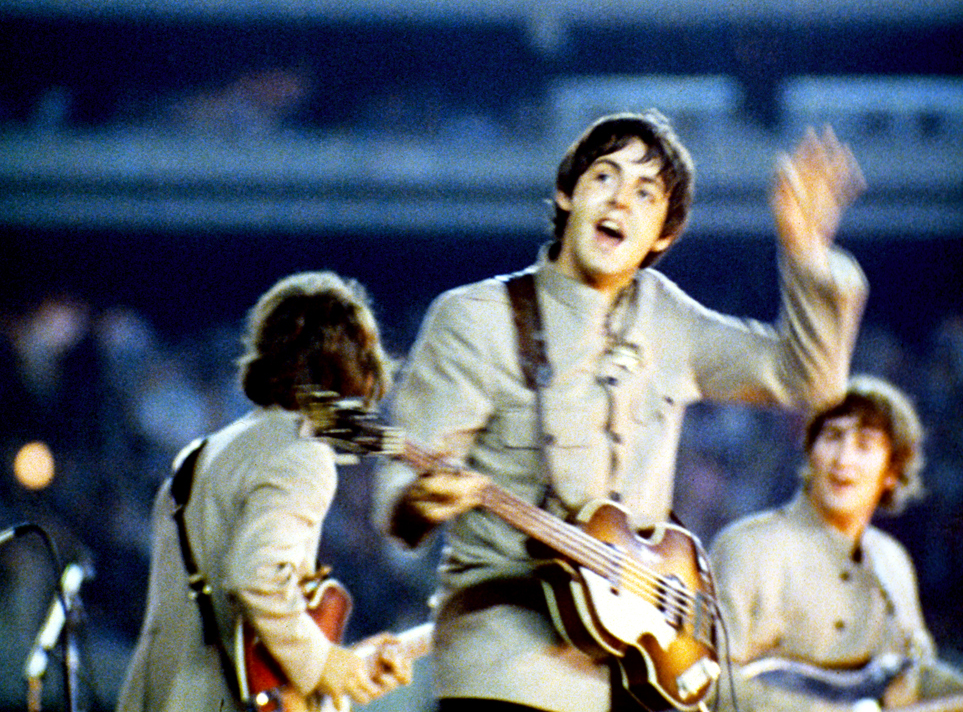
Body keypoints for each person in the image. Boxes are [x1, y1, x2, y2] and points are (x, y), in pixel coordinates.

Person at [375, 110, 870, 712]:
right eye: (604, 178)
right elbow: (399, 483)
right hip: (507, 663)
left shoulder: (669, 318)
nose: (621, 202)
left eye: (645, 193)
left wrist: (807, 252)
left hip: (647, 670)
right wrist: (418, 499)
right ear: (567, 194)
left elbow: (811, 379)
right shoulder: (474, 317)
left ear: (663, 234)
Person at [117, 271, 412, 712]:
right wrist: (322, 663)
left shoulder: (203, 453)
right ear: (351, 367)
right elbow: (255, 576)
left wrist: (342, 658)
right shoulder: (302, 455)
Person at [709, 375, 963, 711]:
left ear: (892, 470)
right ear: (810, 450)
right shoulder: (747, 547)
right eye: (833, 436)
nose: (844, 459)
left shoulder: (892, 560)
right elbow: (709, 680)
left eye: (865, 444)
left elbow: (912, 680)